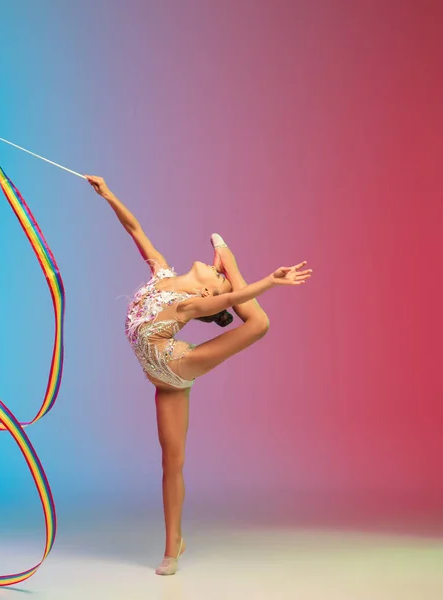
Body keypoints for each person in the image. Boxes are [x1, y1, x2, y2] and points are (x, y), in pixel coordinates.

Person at [85, 175, 312, 575]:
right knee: (171, 463)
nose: (210, 268)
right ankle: (175, 542)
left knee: (258, 324)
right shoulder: (161, 273)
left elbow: (228, 300)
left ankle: (170, 554)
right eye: (220, 270)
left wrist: (266, 282)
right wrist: (108, 195)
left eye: (218, 273)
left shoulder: (191, 305)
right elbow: (134, 228)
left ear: (207, 295)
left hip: (175, 364)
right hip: (162, 383)